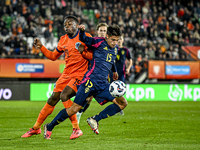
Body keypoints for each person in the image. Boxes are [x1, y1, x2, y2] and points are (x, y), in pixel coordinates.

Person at [43, 24, 128, 139]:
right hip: (89, 82)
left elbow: (110, 60)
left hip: (103, 84)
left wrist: (114, 71)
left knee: (122, 103)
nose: (115, 42)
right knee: (74, 109)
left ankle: (95, 119)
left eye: (117, 40)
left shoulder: (116, 48)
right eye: (113, 40)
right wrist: (82, 31)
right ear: (107, 36)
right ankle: (49, 126)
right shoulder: (98, 42)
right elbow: (84, 39)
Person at [21, 15, 93, 140]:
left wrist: (84, 54)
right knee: (52, 99)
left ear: (77, 25)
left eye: (70, 24)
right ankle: (36, 128)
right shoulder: (63, 39)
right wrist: (41, 47)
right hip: (66, 74)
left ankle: (76, 128)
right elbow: (53, 56)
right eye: (65, 25)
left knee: (64, 95)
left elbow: (93, 56)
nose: (67, 26)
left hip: (80, 75)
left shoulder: (86, 37)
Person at [76, 22, 110, 123]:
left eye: (105, 31)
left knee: (89, 98)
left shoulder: (109, 44)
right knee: (86, 97)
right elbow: (84, 43)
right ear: (97, 31)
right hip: (91, 72)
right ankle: (77, 113)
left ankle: (79, 114)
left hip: (102, 75)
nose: (103, 32)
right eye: (101, 30)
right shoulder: (94, 41)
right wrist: (81, 35)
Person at [109, 35, 133, 115]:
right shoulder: (113, 48)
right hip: (112, 73)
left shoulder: (125, 50)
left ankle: (118, 107)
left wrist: (128, 68)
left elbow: (130, 59)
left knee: (120, 91)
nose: (119, 41)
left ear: (123, 40)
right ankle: (117, 107)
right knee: (113, 91)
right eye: (118, 39)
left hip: (122, 73)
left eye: (120, 39)